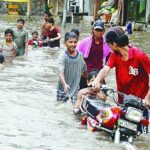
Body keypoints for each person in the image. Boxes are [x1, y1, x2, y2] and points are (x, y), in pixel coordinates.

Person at [92, 26, 150, 133]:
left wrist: (148, 98)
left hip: (141, 104)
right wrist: (97, 80)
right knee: (118, 130)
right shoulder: (114, 55)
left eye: (109, 44)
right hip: (122, 101)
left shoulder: (140, 55)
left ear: (114, 44)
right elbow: (106, 69)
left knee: (142, 134)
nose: (109, 47)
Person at [77, 20, 110, 88]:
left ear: (104, 31)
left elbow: (109, 60)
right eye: (97, 30)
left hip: (99, 72)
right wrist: (80, 71)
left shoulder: (107, 44)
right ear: (93, 30)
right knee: (82, 92)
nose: (98, 32)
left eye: (101, 30)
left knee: (102, 94)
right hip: (86, 72)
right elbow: (77, 55)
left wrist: (105, 72)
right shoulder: (84, 42)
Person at [57, 32, 87, 103]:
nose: (73, 44)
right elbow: (60, 72)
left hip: (75, 88)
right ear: (65, 43)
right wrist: (64, 84)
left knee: (74, 108)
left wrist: (88, 81)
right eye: (70, 42)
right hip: (63, 87)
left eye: (75, 42)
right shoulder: (63, 56)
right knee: (60, 107)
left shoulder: (80, 55)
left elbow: (84, 69)